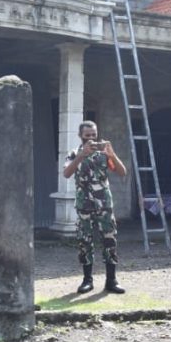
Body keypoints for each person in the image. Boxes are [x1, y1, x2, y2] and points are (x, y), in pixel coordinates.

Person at [63, 120, 127, 294]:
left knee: (110, 240)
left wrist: (112, 155)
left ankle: (111, 280)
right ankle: (87, 280)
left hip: (104, 204)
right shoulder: (74, 153)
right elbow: (67, 173)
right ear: (80, 136)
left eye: (94, 135)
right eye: (87, 135)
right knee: (85, 241)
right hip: (84, 204)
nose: (91, 139)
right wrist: (81, 156)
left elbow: (122, 172)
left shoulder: (104, 154)